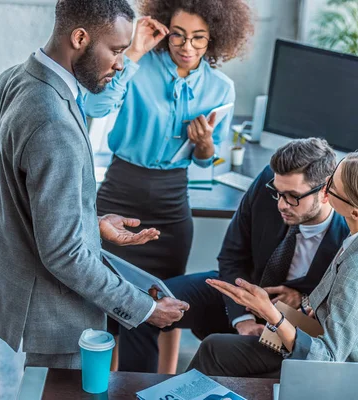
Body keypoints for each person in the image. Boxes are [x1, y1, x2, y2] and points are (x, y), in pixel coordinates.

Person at [0, 0, 188, 369]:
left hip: (9, 306)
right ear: (80, 37)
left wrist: (88, 223)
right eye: (117, 50)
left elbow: (16, 201)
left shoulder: (12, 79)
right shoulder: (52, 121)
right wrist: (144, 309)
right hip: (51, 320)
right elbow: (63, 253)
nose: (122, 64)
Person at [84, 0, 253, 373]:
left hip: (171, 206)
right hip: (119, 193)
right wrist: (132, 54)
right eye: (177, 35)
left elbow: (206, 160)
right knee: (106, 301)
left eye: (198, 38)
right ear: (164, 30)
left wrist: (205, 144)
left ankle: (160, 384)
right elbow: (96, 108)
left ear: (215, 40)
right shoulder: (138, 67)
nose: (186, 46)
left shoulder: (220, 87)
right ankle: (109, 384)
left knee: (164, 300)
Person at [117, 138, 350, 373]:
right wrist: (243, 319)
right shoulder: (268, 182)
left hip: (290, 325)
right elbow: (232, 257)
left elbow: (341, 314)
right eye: (277, 193)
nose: (281, 205)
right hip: (239, 296)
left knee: (219, 355)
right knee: (143, 308)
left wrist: (304, 299)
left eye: (292, 196)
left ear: (325, 192)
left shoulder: (348, 234)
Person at [194, 151, 358, 377]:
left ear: (355, 212)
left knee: (214, 350)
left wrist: (271, 314)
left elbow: (326, 360)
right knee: (215, 346)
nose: (324, 186)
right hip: (341, 347)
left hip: (353, 376)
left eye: (331, 186)